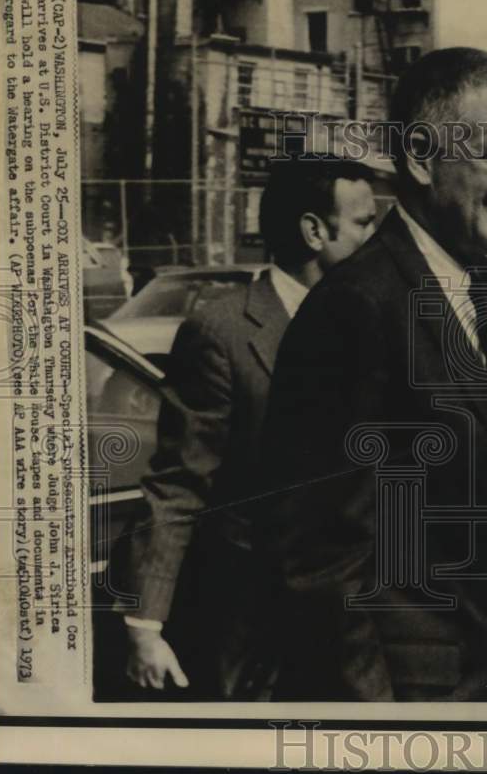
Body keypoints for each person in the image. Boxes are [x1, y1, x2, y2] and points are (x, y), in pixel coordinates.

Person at [258, 47, 487, 702]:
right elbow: (321, 564)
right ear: (420, 156)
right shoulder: (358, 304)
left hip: (481, 681)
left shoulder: (460, 285)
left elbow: (474, 525)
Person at [121, 157, 376, 699]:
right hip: (254, 622)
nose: (374, 239)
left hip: (354, 615)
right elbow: (181, 481)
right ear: (314, 231)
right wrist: (145, 625)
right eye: (363, 223)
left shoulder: (367, 321)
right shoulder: (224, 330)